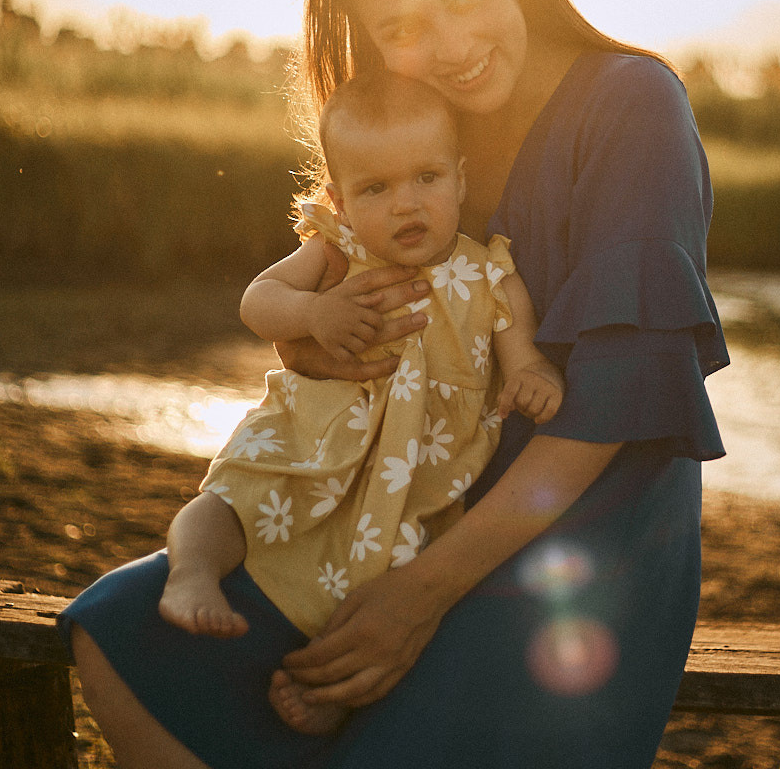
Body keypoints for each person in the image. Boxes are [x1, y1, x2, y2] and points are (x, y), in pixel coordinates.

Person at [61, 0, 729, 769]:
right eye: (405, 26)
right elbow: (346, 307)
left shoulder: (631, 104)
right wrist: (313, 336)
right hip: (396, 511)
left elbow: (612, 407)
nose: (454, 42)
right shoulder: (421, 134)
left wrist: (417, 601)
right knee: (119, 626)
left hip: (569, 554)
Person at [158, 70, 564, 729]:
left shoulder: (488, 271)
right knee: (235, 497)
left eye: (426, 178)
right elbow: (258, 301)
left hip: (413, 482)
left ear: (460, 179)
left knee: (383, 585)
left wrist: (530, 372)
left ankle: (329, 690)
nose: (406, 204)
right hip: (311, 441)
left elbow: (521, 346)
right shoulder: (336, 253)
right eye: (376, 188)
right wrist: (314, 315)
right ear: (340, 202)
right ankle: (192, 572)